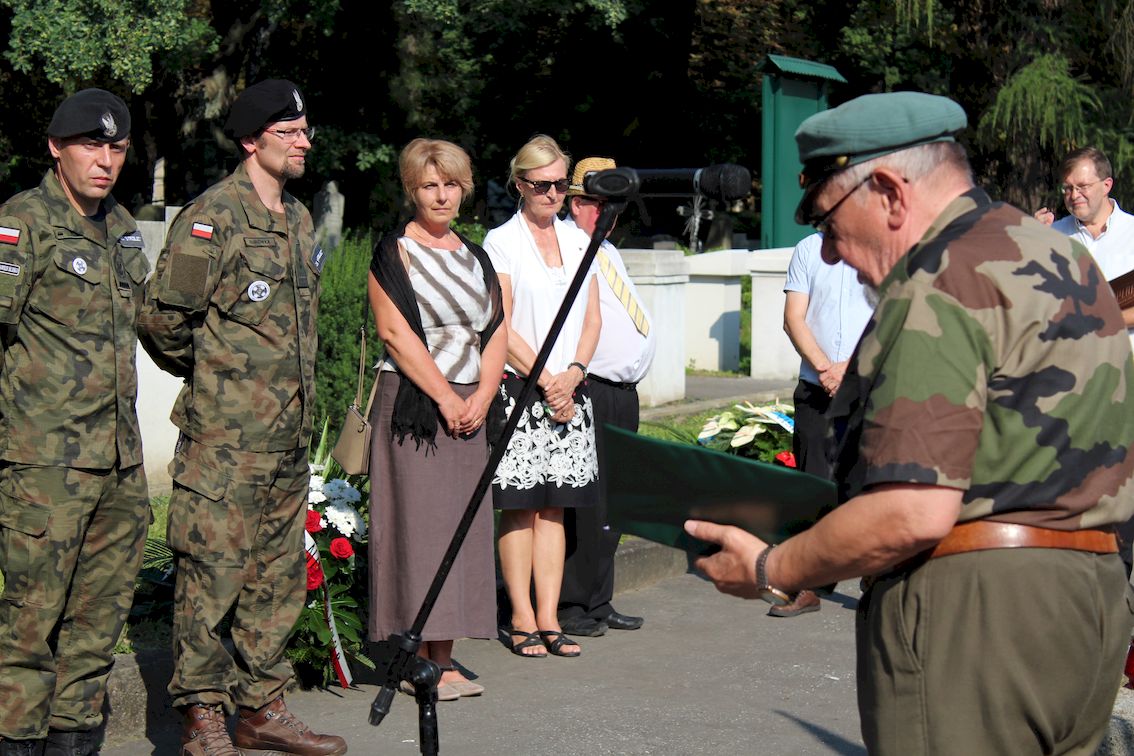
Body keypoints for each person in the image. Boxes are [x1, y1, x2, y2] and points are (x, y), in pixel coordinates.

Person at [687, 91, 1134, 755]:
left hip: (976, 619)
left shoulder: (939, 281)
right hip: (1091, 605)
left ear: (891, 193)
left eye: (830, 222)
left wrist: (771, 567)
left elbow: (911, 512)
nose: (829, 254)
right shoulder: (1056, 254)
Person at [138, 79, 346, 756]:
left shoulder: (298, 218)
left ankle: (262, 710)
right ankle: (202, 718)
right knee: (211, 577)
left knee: (276, 581)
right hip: (225, 443)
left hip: (287, 441)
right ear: (253, 139)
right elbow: (162, 320)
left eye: (306, 130)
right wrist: (218, 377)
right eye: (290, 132)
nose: (305, 143)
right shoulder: (211, 218)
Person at [0, 89, 150, 756]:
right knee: (30, 625)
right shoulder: (21, 223)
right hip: (45, 465)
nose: (106, 160)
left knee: (97, 625)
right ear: (56, 148)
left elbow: (152, 321)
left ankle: (74, 742)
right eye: (92, 146)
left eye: (117, 148)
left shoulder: (121, 225)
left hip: (118, 464)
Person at [367, 138, 506, 699]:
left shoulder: (475, 255)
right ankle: (412, 660)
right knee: (419, 531)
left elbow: (496, 328)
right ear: (412, 190)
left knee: (461, 533)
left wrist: (484, 394)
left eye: (451, 184)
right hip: (416, 405)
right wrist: (447, 398)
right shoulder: (394, 251)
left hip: (472, 404)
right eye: (430, 185)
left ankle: (443, 658)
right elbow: (394, 332)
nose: (442, 195)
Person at [483, 135, 601, 659]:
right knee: (521, 508)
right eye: (541, 185)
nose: (552, 194)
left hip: (571, 390)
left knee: (555, 509)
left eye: (560, 184)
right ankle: (521, 616)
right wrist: (548, 379)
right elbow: (501, 324)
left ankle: (550, 617)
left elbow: (592, 319)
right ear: (519, 185)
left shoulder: (578, 240)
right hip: (522, 387)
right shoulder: (501, 241)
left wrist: (573, 373)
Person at [557, 157, 654, 636]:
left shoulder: (607, 250)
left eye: (616, 204)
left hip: (621, 393)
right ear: (577, 203)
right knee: (584, 501)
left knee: (613, 502)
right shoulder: (567, 245)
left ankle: (599, 599)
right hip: (588, 385)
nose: (610, 212)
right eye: (600, 203)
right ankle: (571, 603)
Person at [775, 231, 873, 618]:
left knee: (870, 486)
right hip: (816, 388)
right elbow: (793, 318)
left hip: (867, 388)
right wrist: (824, 368)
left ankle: (875, 576)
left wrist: (848, 369)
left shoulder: (879, 244)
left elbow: (891, 319)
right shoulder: (807, 249)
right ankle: (808, 584)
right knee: (812, 486)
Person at [1035, 147, 1134, 340]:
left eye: (1083, 186)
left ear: (1106, 185)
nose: (1074, 195)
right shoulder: (1050, 235)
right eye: (1068, 188)